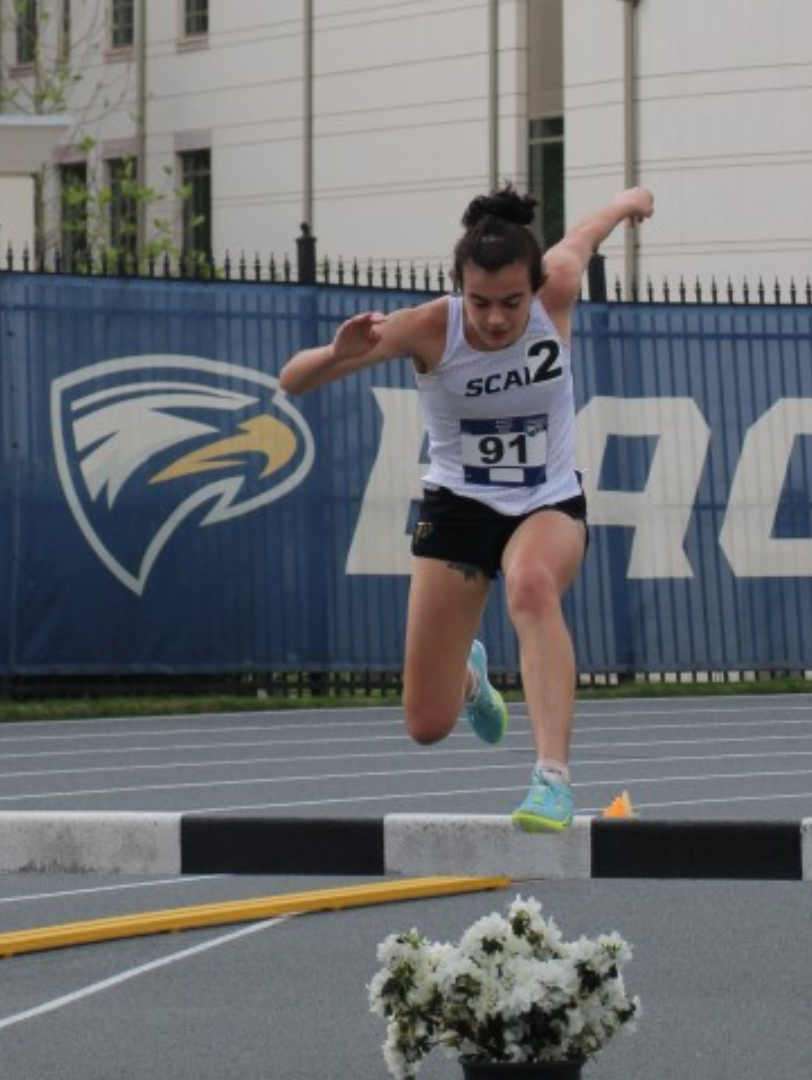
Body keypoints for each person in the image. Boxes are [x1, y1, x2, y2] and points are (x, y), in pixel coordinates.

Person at [279, 184, 655, 832]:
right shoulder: (429, 327)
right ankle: (473, 679)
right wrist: (336, 356)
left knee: (533, 588)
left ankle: (552, 780)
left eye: (512, 302)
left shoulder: (558, 285)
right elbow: (292, 380)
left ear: (535, 287)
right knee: (428, 724)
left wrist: (629, 202)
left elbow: (587, 233)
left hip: (547, 500)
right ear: (459, 288)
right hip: (458, 506)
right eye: (480, 302)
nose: (497, 320)